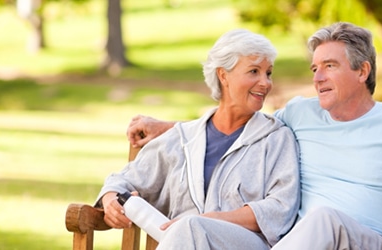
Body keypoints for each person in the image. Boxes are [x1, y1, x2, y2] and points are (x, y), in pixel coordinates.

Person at [127, 22, 382, 249]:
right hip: (298, 243)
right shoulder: (301, 114)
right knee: (192, 229)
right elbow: (240, 119)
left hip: (373, 242)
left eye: (329, 66)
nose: (318, 77)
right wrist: (170, 128)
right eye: (315, 68)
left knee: (325, 218)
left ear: (362, 71)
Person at [95, 29, 300, 249]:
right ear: (223, 76)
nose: (265, 83)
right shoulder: (181, 139)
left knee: (191, 226)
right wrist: (110, 199)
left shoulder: (277, 139)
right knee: (190, 228)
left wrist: (207, 220)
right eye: (254, 71)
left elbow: (280, 208)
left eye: (268, 73)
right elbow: (123, 180)